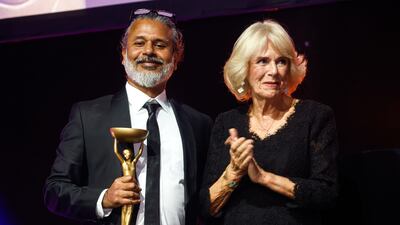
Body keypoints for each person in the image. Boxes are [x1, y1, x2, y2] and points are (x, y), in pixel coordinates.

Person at [44, 8, 213, 225]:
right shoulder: (88, 117)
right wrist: (103, 198)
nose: (149, 51)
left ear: (177, 56)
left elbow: (204, 201)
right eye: (139, 43)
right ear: (123, 53)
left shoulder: (198, 124)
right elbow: (55, 191)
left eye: (160, 45)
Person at [199, 19, 338, 225]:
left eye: (281, 61)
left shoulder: (315, 116)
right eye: (262, 61)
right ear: (244, 69)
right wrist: (234, 172)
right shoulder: (226, 122)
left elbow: (327, 194)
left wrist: (264, 177)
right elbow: (207, 209)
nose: (273, 70)